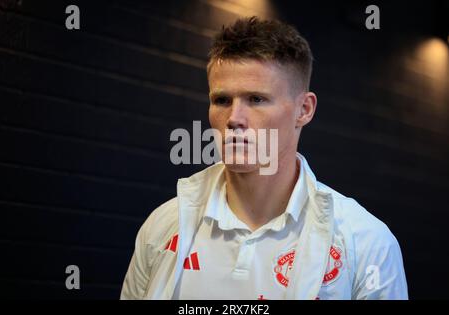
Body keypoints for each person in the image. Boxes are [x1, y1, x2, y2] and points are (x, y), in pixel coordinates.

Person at [120, 16, 408, 300]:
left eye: (256, 99)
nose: (234, 119)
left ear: (304, 109)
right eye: (222, 100)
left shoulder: (365, 242)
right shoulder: (163, 226)